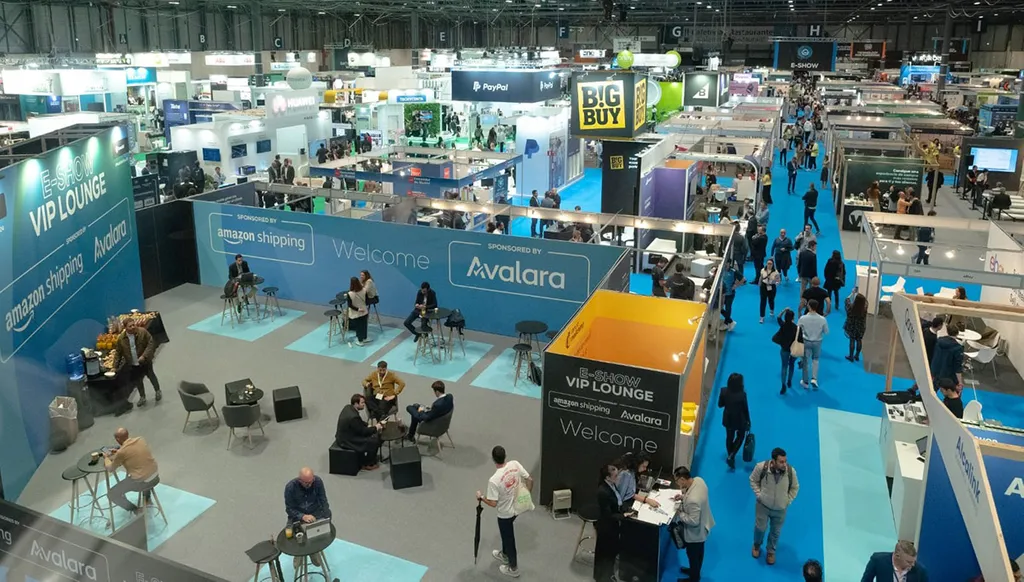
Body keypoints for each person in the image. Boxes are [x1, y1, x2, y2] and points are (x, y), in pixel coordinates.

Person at [477, 446, 532, 578]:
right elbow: (530, 479)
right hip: (517, 508)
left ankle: (514, 568)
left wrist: (481, 497)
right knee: (505, 535)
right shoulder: (515, 464)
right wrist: (527, 495)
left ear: (493, 459)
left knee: (509, 539)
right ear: (505, 456)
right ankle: (505, 555)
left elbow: (493, 503)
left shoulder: (494, 480)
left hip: (505, 515)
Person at [750, 447, 799, 566]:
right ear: (773, 461)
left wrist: (787, 501)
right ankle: (757, 545)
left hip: (780, 508)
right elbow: (753, 480)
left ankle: (771, 551)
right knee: (760, 528)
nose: (784, 464)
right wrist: (759, 495)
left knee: (775, 532)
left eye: (785, 461)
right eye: (781, 462)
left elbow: (795, 487)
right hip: (763, 505)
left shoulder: (790, 472)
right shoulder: (761, 467)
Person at [672, 466, 714, 581]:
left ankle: (694, 578)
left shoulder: (693, 500)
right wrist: (683, 497)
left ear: (682, 479)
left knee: (693, 555)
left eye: (677, 480)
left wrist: (680, 513)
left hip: (695, 533)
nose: (677, 483)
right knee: (699, 553)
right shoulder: (699, 480)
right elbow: (695, 496)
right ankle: (694, 571)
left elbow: (693, 521)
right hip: (704, 524)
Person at [103, 428, 159, 514]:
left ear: (117, 439)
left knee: (111, 494)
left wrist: (106, 457)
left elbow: (110, 468)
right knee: (144, 468)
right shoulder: (140, 440)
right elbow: (135, 453)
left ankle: (135, 509)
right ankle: (147, 499)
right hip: (155, 476)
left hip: (141, 482)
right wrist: (119, 451)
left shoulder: (122, 452)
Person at [594, 463, 632, 582]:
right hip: (606, 527)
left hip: (613, 524)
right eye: (615, 476)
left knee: (611, 552)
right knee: (605, 554)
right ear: (607, 477)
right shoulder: (603, 492)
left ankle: (608, 574)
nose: (618, 478)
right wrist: (623, 516)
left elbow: (617, 502)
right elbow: (608, 515)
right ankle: (603, 577)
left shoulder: (612, 485)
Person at [113, 318, 161, 406]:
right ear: (125, 328)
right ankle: (142, 397)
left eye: (133, 325)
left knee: (151, 376)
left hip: (145, 361)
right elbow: (118, 353)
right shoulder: (121, 339)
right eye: (130, 326)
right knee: (138, 380)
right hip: (133, 364)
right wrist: (115, 366)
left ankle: (157, 390)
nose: (133, 327)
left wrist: (144, 356)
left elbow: (150, 343)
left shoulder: (142, 332)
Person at [334, 394, 382, 470]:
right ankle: (368, 464)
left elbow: (359, 423)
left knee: (372, 436)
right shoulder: (354, 417)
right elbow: (363, 432)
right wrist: (376, 427)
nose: (364, 404)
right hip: (346, 440)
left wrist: (368, 425)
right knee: (373, 441)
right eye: (362, 403)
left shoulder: (348, 408)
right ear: (356, 404)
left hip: (345, 435)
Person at [718, 373, 751, 469]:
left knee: (729, 437)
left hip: (728, 418)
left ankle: (730, 456)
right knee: (740, 436)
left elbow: (720, 405)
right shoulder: (742, 395)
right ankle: (732, 455)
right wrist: (748, 421)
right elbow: (745, 409)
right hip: (740, 419)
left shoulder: (723, 391)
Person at [860, 540, 928, 582]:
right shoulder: (878, 561)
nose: (913, 564)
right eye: (908, 562)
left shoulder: (920, 571)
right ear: (897, 556)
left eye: (913, 561)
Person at [798, 299, 829, 389]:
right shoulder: (822, 319)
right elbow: (826, 331)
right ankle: (814, 379)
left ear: (808, 306)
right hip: (817, 342)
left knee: (805, 361)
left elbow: (798, 329)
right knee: (816, 360)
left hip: (806, 341)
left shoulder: (803, 318)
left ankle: (805, 381)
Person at [773, 308, 799, 394]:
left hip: (784, 349)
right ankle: (789, 380)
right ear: (793, 318)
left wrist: (784, 310)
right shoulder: (796, 328)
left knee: (784, 366)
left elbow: (778, 317)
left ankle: (783, 385)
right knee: (791, 365)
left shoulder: (783, 325)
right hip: (793, 350)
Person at [930, 323, 964, 389]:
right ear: (957, 333)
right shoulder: (958, 348)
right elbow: (958, 367)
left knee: (934, 387)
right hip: (948, 375)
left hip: (935, 369)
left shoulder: (939, 340)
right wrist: (960, 382)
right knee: (955, 390)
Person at [844, 292, 868, 362]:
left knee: (852, 340)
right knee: (859, 340)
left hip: (852, 326)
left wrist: (852, 293)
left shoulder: (850, 308)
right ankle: (857, 355)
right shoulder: (864, 309)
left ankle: (851, 356)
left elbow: (847, 300)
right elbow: (866, 302)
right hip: (860, 327)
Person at [346, 276, 370, 345]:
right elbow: (367, 301)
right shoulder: (364, 290)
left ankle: (360, 341)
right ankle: (365, 338)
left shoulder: (349, 294)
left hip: (356, 313)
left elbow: (350, 305)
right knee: (364, 325)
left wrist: (358, 309)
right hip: (364, 311)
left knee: (359, 327)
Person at [756, 258, 780, 323]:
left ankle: (771, 309)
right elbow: (761, 277)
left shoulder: (776, 272)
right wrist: (759, 283)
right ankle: (762, 317)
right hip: (764, 286)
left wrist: (775, 283)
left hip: (772, 286)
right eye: (768, 263)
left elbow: (778, 280)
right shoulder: (763, 270)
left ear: (773, 264)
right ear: (766, 264)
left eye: (770, 264)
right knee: (763, 301)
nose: (769, 265)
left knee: (771, 300)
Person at [720, 260, 741, 332]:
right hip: (722, 293)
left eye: (727, 263)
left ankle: (726, 323)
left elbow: (743, 279)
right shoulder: (721, 270)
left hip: (730, 294)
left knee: (728, 308)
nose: (725, 264)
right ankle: (730, 321)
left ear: (729, 263)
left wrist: (736, 285)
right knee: (720, 308)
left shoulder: (733, 271)